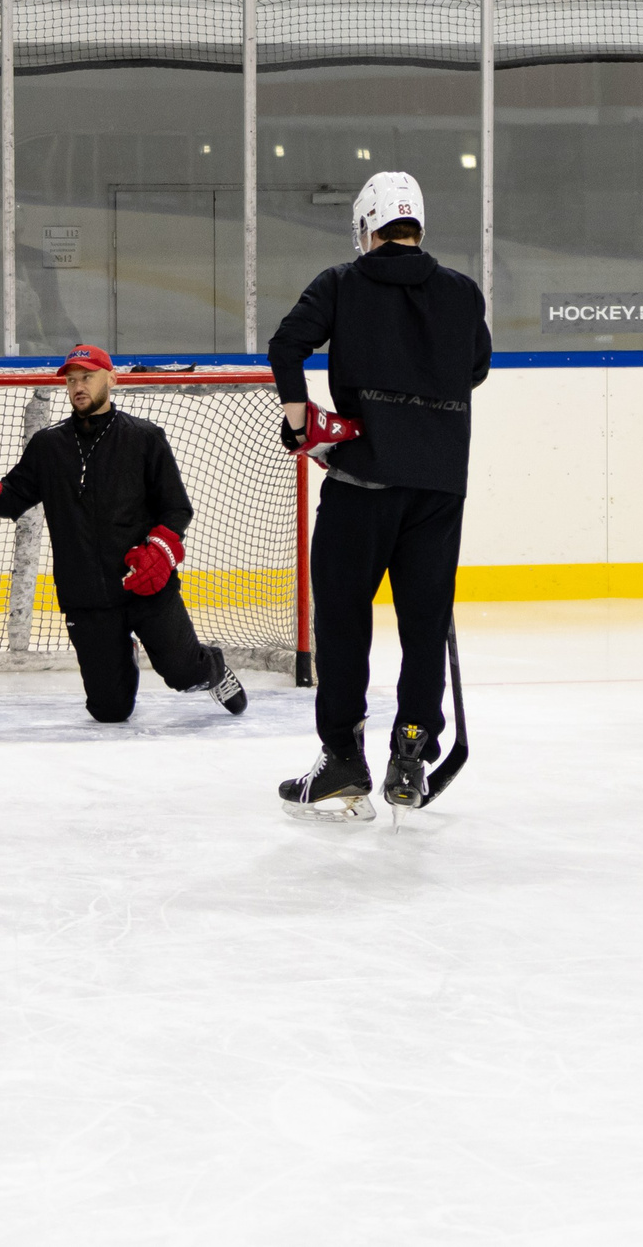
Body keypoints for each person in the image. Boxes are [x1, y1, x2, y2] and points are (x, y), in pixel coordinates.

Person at [266, 172, 490, 821]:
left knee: (342, 621)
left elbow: (287, 344)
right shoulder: (462, 291)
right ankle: (412, 751)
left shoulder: (343, 280)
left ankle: (342, 758)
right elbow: (477, 365)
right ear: (418, 223)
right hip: (440, 486)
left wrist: (302, 419)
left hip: (362, 484)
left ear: (366, 225)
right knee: (424, 624)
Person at [0, 344, 246, 723]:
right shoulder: (48, 445)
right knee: (110, 710)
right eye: (72, 380)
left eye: (87, 377)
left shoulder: (144, 438)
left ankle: (212, 668)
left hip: (145, 585)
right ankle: (123, 654)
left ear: (112, 379)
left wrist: (161, 549)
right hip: (85, 595)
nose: (78, 387)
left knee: (183, 674)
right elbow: (11, 500)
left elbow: (176, 508)